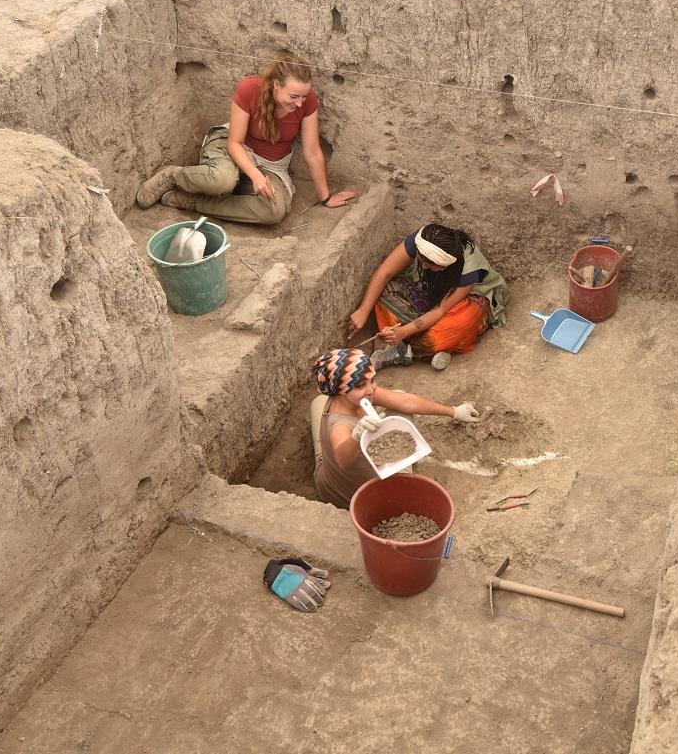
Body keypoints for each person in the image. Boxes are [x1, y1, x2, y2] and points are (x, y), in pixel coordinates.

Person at [135, 52, 357, 225]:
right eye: (293, 96)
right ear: (276, 85)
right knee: (223, 179)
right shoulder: (250, 88)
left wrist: (326, 197)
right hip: (232, 148)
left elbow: (312, 151)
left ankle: (192, 201)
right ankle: (174, 176)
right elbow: (234, 143)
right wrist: (255, 176)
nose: (299, 103)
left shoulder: (307, 100)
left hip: (271, 165)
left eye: (303, 96)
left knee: (274, 211)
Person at [309, 348, 480, 509]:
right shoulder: (340, 425)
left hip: (330, 482)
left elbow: (407, 401)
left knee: (319, 402)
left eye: (372, 380)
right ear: (340, 391)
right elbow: (343, 459)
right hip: (364, 496)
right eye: (360, 385)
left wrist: (454, 411)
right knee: (400, 418)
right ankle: (400, 481)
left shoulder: (345, 395)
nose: (370, 389)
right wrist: (355, 437)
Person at [346, 223, 508, 372]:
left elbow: (440, 310)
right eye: (422, 261)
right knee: (383, 293)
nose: (423, 266)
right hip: (428, 293)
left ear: (446, 265)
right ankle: (427, 346)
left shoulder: (469, 268)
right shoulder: (422, 241)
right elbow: (385, 273)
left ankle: (410, 349)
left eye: (431, 265)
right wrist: (364, 309)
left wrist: (403, 332)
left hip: (461, 304)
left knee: (464, 321)